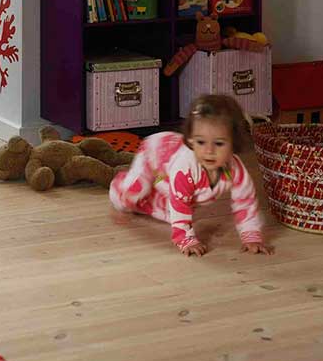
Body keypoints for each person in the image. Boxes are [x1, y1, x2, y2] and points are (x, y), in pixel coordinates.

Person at [109, 94, 273, 256]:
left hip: (170, 178)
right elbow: (180, 204)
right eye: (201, 142)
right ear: (191, 140)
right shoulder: (186, 167)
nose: (209, 151)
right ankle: (120, 188)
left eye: (219, 143)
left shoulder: (235, 170)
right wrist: (186, 239)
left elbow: (245, 201)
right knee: (134, 194)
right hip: (153, 157)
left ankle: (153, 197)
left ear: (234, 143)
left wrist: (251, 235)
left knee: (172, 213)